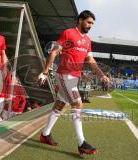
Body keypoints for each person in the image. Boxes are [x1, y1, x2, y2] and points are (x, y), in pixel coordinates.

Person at [38, 10, 109, 155]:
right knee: (77, 103)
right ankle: (81, 143)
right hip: (64, 75)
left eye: (92, 24)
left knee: (60, 104)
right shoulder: (68, 33)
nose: (90, 26)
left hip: (73, 77)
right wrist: (45, 72)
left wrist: (102, 75)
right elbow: (53, 52)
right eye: (88, 22)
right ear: (80, 20)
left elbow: (90, 61)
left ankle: (45, 135)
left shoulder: (88, 41)